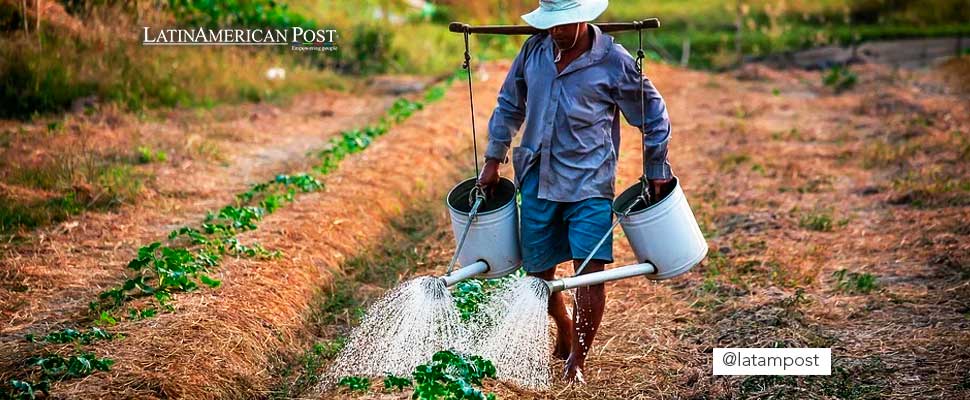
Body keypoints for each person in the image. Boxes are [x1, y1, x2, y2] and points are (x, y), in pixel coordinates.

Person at [476, 0, 673, 383]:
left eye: (564, 25)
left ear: (583, 19)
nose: (556, 32)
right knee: (538, 276)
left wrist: (655, 166)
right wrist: (492, 158)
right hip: (536, 177)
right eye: (551, 24)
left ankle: (577, 361)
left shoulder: (613, 61)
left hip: (590, 182)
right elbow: (508, 105)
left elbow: (653, 114)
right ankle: (563, 325)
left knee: (590, 274)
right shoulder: (533, 50)